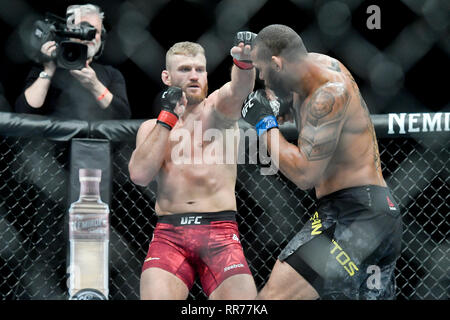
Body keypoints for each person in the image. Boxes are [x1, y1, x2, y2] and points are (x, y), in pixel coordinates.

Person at [241, 24, 402, 300]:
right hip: (375, 212)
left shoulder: (329, 94)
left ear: (278, 64)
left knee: (271, 299)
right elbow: (286, 73)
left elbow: (305, 175)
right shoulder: (311, 69)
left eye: (263, 71)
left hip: (354, 214)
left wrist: (263, 123)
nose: (262, 79)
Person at [128, 33, 258, 300]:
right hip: (170, 235)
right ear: (167, 77)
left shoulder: (219, 111)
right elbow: (139, 175)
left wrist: (244, 63)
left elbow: (239, 89)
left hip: (220, 233)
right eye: (185, 69)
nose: (194, 75)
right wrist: (167, 119)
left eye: (199, 69)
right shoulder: (151, 128)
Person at [15, 4, 131, 120]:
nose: (90, 36)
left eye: (95, 32)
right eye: (84, 29)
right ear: (68, 32)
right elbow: (24, 111)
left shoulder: (111, 74)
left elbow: (123, 116)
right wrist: (48, 70)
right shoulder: (48, 66)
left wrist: (95, 85)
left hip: (94, 137)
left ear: (102, 37)